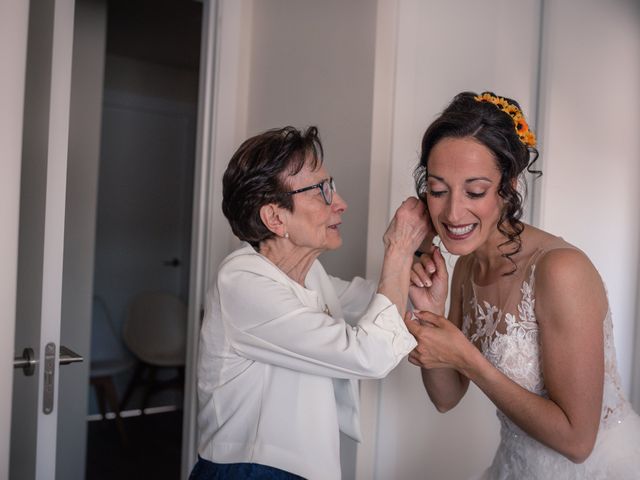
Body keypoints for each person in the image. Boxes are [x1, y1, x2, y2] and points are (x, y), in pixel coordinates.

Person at [405, 91, 640, 478]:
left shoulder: (560, 270)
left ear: (508, 186)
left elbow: (578, 443)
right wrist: (429, 313)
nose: (452, 212)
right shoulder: (465, 267)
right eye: (438, 190)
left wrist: (468, 358)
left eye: (475, 191)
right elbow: (445, 397)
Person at [191, 126, 427, 480]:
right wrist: (399, 250)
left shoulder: (308, 273)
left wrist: (416, 263)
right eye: (322, 191)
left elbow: (372, 302)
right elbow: (370, 353)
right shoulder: (242, 282)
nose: (341, 202)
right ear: (274, 217)